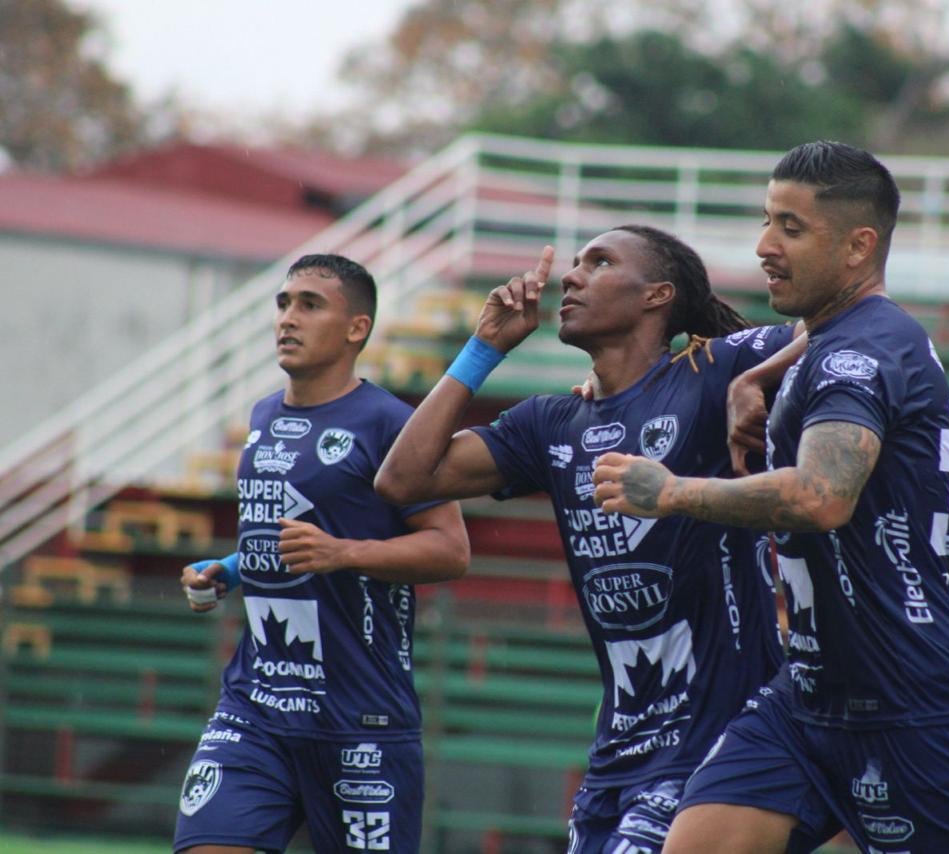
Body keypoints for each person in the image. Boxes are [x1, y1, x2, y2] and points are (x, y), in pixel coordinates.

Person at [591, 142, 949, 853]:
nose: (764, 246)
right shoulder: (848, 334)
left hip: (908, 699)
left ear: (857, 247)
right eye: (765, 221)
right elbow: (823, 338)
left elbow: (820, 497)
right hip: (806, 698)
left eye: (790, 228)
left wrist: (673, 492)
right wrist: (752, 379)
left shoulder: (859, 354)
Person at [374, 225, 800, 853]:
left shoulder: (711, 369)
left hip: (718, 740)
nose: (571, 277)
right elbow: (402, 479)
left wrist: (752, 377)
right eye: (574, 264)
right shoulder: (548, 422)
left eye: (598, 263)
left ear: (657, 295)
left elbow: (851, 328)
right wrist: (484, 348)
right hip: (617, 753)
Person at [174, 254, 470, 854]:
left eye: (310, 305)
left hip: (360, 719)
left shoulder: (390, 423)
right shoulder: (261, 416)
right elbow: (286, 533)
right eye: (283, 303)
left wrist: (345, 553)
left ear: (356, 328)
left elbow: (451, 549)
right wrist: (227, 570)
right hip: (255, 709)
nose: (288, 318)